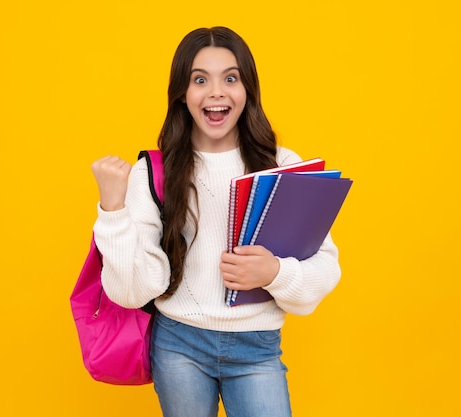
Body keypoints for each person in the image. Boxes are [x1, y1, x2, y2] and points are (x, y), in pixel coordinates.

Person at [91, 26, 341, 417]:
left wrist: (274, 272)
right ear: (182, 94)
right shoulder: (153, 172)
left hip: (257, 347)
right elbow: (132, 293)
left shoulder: (284, 167)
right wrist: (112, 212)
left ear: (248, 90)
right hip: (178, 345)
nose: (216, 92)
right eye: (199, 80)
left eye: (230, 78)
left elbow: (326, 269)